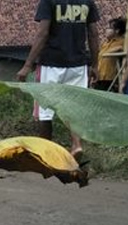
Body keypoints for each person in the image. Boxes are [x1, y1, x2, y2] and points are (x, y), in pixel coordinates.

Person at [17, 0, 99, 160]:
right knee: (73, 108)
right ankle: (76, 145)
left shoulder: (48, 1)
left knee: (45, 110)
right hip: (78, 64)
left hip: (51, 63)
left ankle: (45, 153)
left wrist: (28, 64)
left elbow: (43, 33)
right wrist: (95, 64)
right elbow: (94, 33)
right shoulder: (87, 1)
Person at [96, 18, 126, 92]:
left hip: (110, 79)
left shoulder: (122, 43)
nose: (106, 30)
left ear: (117, 31)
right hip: (100, 76)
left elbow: (122, 49)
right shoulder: (106, 43)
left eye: (109, 28)